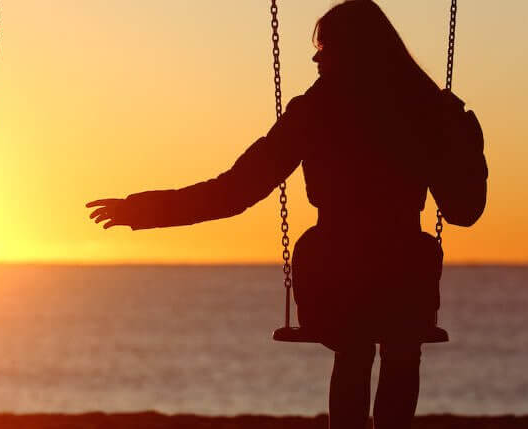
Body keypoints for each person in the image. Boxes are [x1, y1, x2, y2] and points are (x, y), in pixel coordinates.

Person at [87, 1, 487, 428]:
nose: (315, 57)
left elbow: (233, 191)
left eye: (324, 47)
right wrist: (464, 139)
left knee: (353, 349)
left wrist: (144, 210)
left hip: (337, 274)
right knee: (401, 348)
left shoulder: (315, 112)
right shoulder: (425, 109)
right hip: (403, 277)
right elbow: (464, 210)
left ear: (349, 50)